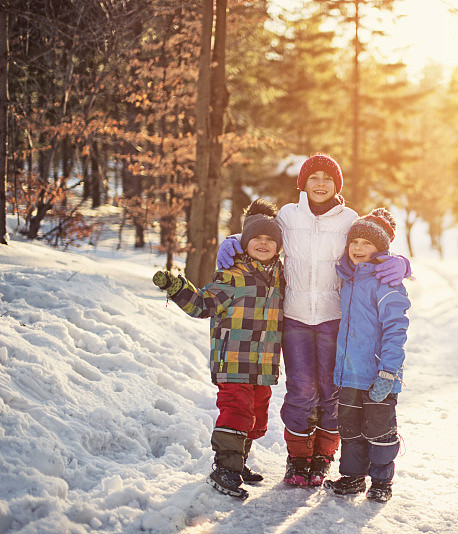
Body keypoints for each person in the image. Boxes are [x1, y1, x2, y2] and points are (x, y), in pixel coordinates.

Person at [216, 153, 410, 487]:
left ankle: (322, 457)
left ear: (337, 185)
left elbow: (374, 240)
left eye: (328, 178)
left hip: (336, 318)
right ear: (303, 183)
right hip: (294, 317)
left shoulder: (349, 218)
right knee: (301, 389)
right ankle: (298, 458)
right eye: (314, 177)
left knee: (331, 391)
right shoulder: (288, 215)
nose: (321, 184)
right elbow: (262, 237)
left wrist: (401, 262)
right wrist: (236, 239)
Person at [153, 204, 284, 499]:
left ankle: (238, 463)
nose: (263, 243)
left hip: (263, 365)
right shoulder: (232, 277)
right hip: (234, 361)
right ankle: (224, 469)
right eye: (257, 239)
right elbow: (201, 305)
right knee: (236, 412)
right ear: (245, 244)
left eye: (270, 240)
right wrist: (176, 287)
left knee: (256, 417)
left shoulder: (280, 280)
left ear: (278, 247)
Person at [324, 208, 410, 503]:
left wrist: (389, 371)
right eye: (354, 242)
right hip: (349, 373)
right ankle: (352, 478)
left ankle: (382, 482)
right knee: (349, 430)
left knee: (379, 431)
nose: (358, 249)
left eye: (367, 244)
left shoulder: (385, 282)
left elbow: (396, 328)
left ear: (380, 250)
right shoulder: (348, 279)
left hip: (377, 375)